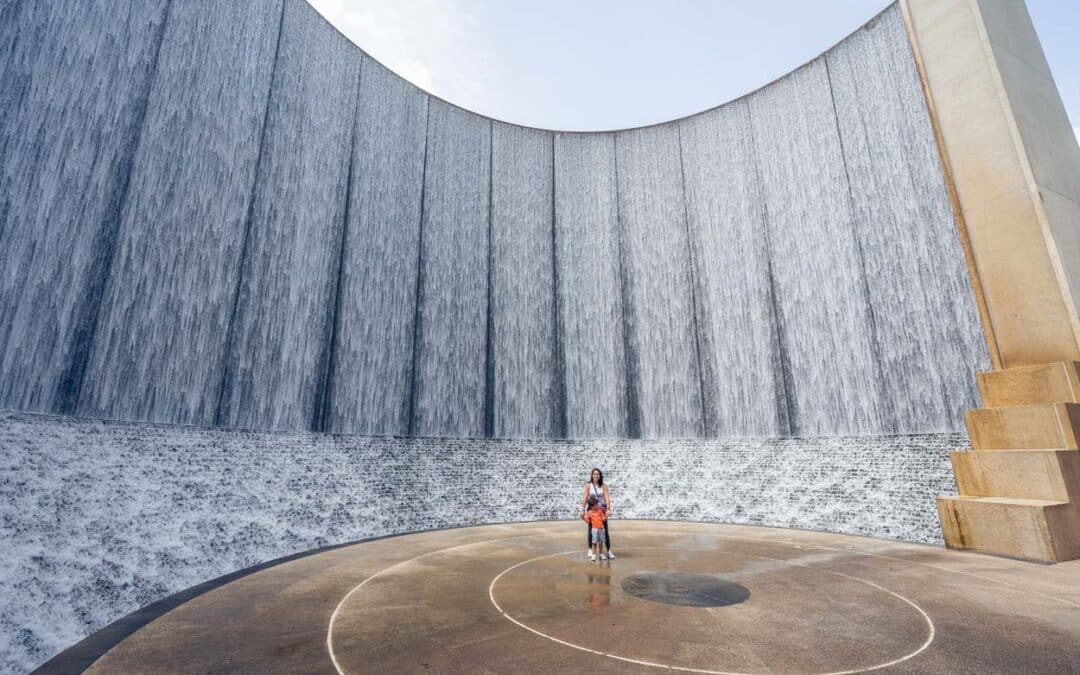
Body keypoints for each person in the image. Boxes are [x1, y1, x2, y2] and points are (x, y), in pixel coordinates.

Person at [579, 468, 613, 560]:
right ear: (592, 475)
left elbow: (607, 497)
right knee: (591, 529)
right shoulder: (588, 485)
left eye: (598, 474)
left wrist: (608, 508)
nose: (596, 476)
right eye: (594, 474)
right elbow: (585, 497)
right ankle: (590, 549)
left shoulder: (604, 485)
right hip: (592, 509)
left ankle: (608, 550)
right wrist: (582, 509)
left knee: (605, 530)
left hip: (602, 509)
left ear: (600, 475)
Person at [583, 496, 608, 561]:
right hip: (594, 529)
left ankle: (601, 554)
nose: (597, 505)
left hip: (601, 529)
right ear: (592, 506)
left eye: (597, 504)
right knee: (594, 542)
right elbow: (588, 521)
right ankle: (593, 554)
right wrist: (583, 518)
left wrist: (607, 516)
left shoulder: (600, 511)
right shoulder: (589, 513)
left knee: (601, 542)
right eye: (596, 504)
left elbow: (603, 519)